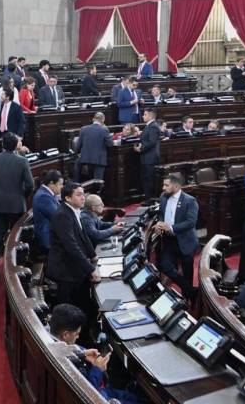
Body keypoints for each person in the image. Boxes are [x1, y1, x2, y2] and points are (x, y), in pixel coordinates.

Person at [49, 304, 144, 404]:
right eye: (76, 334)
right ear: (65, 335)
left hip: (100, 388)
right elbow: (88, 393)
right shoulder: (63, 361)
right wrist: (98, 369)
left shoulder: (52, 341)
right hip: (95, 395)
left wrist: (82, 353)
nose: (77, 337)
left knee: (131, 396)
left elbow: (69, 350)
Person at [0, 132, 34, 276]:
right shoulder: (22, 161)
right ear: (16, 146)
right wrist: (22, 196)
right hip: (16, 203)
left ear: (2, 145)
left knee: (0, 230)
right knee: (16, 233)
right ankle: (14, 264)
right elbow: (30, 184)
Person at [46, 182, 99, 310]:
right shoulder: (62, 215)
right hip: (65, 272)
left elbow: (83, 235)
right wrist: (91, 269)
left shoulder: (74, 210)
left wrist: (93, 255)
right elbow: (71, 246)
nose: (83, 198)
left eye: (83, 195)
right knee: (72, 308)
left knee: (84, 303)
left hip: (74, 267)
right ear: (68, 198)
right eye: (79, 195)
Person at [154, 173, 199, 301]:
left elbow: (191, 222)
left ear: (176, 186)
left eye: (166, 185)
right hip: (169, 240)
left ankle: (188, 300)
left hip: (185, 241)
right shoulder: (163, 197)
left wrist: (172, 228)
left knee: (188, 273)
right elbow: (161, 214)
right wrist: (159, 222)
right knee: (165, 266)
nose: (163, 187)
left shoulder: (190, 201)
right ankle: (190, 292)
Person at [74, 112, 112, 182]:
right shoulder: (104, 129)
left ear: (93, 119)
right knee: (97, 183)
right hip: (99, 160)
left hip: (85, 159)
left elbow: (78, 145)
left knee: (89, 182)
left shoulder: (83, 129)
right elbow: (110, 144)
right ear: (103, 120)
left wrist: (78, 155)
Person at [32, 170, 63, 255]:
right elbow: (58, 216)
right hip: (48, 240)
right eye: (60, 184)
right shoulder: (43, 196)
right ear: (51, 183)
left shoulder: (46, 193)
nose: (62, 187)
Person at [134, 108, 160, 200]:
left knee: (149, 179)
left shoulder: (153, 126)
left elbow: (152, 142)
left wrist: (141, 148)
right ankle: (147, 198)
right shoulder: (149, 126)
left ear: (149, 115)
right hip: (146, 157)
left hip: (150, 158)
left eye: (144, 114)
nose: (143, 116)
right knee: (146, 179)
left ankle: (150, 199)